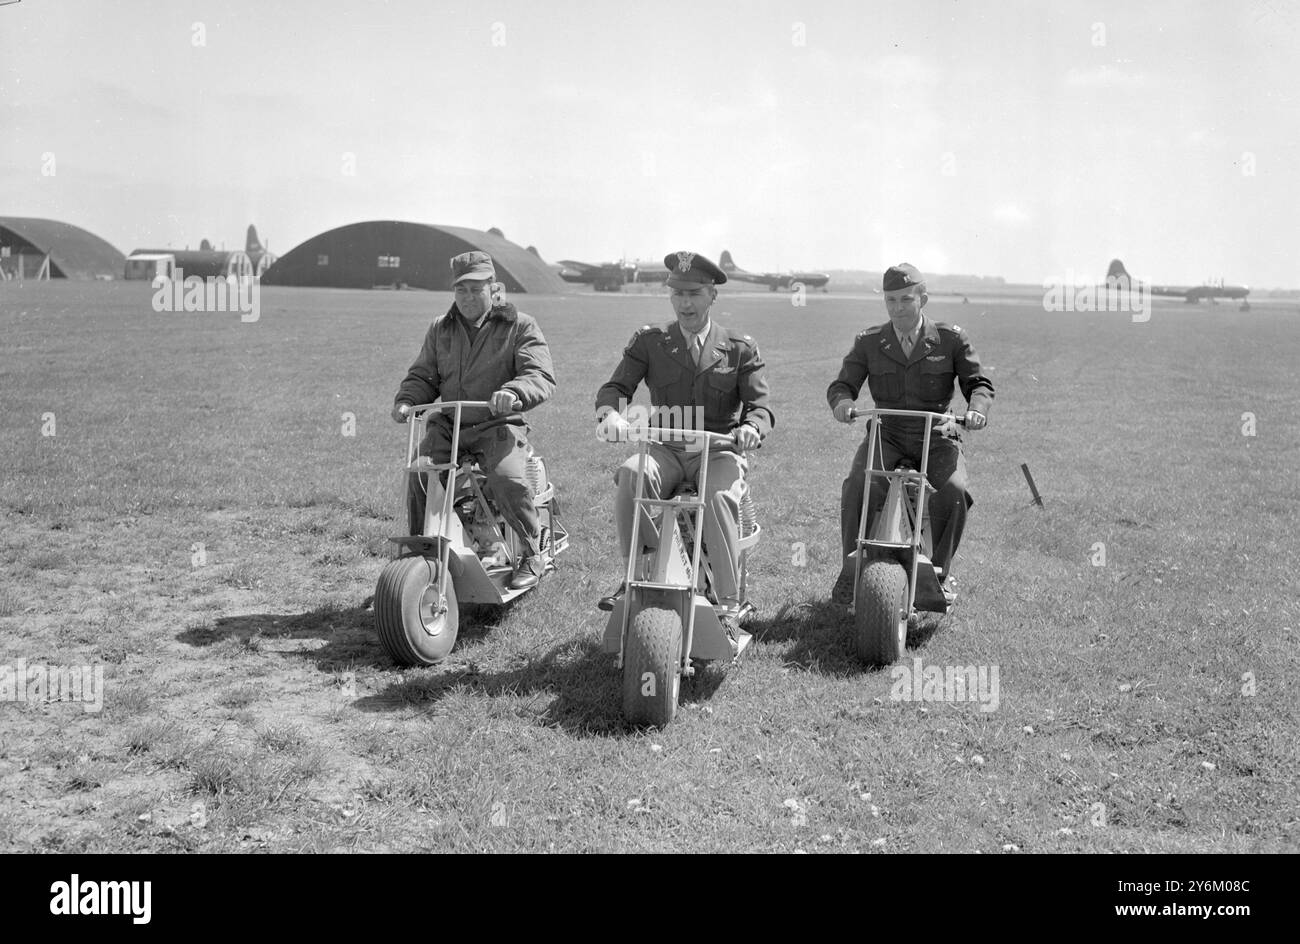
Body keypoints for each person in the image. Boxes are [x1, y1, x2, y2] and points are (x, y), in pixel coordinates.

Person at [595, 250, 774, 620]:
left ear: (713, 296)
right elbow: (615, 387)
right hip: (667, 449)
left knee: (718, 494)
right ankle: (636, 577)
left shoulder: (739, 348)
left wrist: (751, 428)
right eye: (677, 294)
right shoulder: (651, 342)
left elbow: (761, 406)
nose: (685, 303)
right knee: (632, 474)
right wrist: (611, 412)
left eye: (694, 294)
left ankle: (728, 600)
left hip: (718, 450)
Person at [827, 263, 993, 604]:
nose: (898, 308)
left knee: (955, 491)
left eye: (905, 299)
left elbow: (978, 383)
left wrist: (976, 409)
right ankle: (854, 569)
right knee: (857, 485)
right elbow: (843, 384)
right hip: (886, 434)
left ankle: (939, 575)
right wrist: (842, 402)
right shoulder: (870, 342)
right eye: (891, 300)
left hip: (937, 434)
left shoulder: (950, 340)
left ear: (923, 299)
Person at [391, 251, 556, 590]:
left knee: (507, 477)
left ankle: (531, 551)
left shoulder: (519, 325)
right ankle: (421, 556)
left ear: (494, 289)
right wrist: (408, 400)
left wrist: (513, 392)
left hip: (497, 425)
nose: (467, 297)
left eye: (476, 289)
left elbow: (539, 374)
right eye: (461, 289)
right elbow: (424, 375)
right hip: (450, 426)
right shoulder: (441, 328)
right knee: (420, 474)